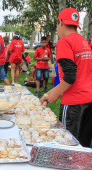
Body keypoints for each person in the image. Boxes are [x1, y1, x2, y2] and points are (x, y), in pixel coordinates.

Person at [40, 8, 92, 147]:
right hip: (89, 101)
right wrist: (49, 93)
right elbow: (79, 75)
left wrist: (55, 95)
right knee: (84, 145)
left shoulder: (64, 42)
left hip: (74, 103)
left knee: (68, 145)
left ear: (61, 22)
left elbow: (70, 76)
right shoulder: (83, 42)